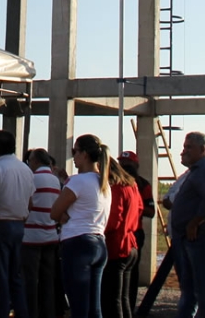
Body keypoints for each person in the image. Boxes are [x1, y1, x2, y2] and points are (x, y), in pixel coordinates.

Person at [51, 134, 111, 318]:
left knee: (79, 306)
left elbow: (54, 212)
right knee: (94, 307)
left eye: (74, 151)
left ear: (84, 154)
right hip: (99, 243)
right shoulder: (103, 183)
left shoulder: (78, 181)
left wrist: (64, 217)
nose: (73, 156)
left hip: (77, 243)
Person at [169, 131, 205, 318]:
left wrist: (193, 224)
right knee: (190, 289)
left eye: (189, 147)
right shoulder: (195, 171)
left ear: (203, 149)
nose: (184, 151)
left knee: (203, 289)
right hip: (188, 237)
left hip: (200, 236)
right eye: (184, 147)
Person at [0, 129, 35, 318]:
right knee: (16, 277)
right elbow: (31, 202)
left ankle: (2, 312)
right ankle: (21, 312)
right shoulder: (25, 169)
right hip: (20, 225)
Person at [101, 155, 144, 318]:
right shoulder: (131, 186)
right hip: (131, 243)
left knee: (112, 300)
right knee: (123, 298)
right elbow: (140, 208)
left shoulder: (116, 188)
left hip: (117, 246)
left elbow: (113, 221)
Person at [22, 148, 61, 318]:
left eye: (30, 160)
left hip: (31, 236)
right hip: (51, 235)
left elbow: (26, 204)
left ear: (36, 162)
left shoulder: (31, 179)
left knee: (30, 281)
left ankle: (31, 312)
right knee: (48, 281)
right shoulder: (55, 181)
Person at [117, 150, 156, 302]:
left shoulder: (143, 184)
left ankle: (130, 307)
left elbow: (151, 211)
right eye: (121, 162)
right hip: (116, 233)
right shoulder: (112, 182)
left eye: (127, 163)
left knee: (131, 275)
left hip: (134, 232)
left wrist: (134, 206)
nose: (124, 165)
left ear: (136, 164)